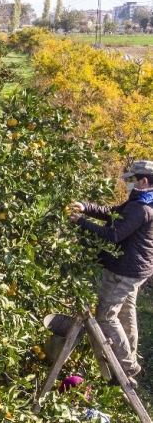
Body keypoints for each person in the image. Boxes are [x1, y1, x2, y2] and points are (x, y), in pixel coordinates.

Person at [68, 160, 153, 387]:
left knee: (106, 315)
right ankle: (129, 359)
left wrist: (81, 222)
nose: (128, 184)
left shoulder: (141, 207)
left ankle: (125, 365)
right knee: (126, 312)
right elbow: (112, 213)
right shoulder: (142, 200)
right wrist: (85, 207)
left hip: (124, 271)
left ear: (144, 181)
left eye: (132, 180)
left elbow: (113, 235)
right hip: (136, 269)